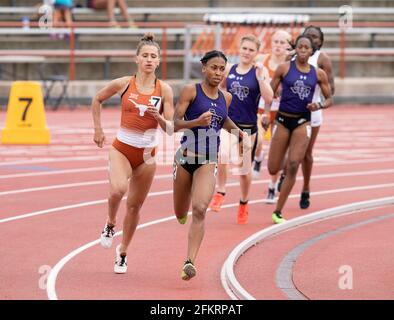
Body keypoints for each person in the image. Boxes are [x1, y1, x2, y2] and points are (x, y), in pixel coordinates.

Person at [92, 33, 174, 273]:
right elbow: (97, 99)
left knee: (135, 207)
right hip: (122, 149)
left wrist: (159, 117)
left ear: (159, 61)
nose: (149, 60)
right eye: (145, 55)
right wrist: (98, 129)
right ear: (137, 59)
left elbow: (170, 128)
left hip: (147, 155)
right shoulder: (124, 83)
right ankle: (109, 223)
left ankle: (123, 252)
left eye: (154, 56)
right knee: (118, 190)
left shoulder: (165, 90)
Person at [173, 50, 248, 280]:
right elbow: (174, 124)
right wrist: (196, 121)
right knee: (180, 211)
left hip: (208, 159)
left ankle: (189, 262)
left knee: (200, 208)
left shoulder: (226, 97)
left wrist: (238, 133)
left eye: (221, 69)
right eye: (213, 67)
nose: (217, 72)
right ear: (204, 68)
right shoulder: (190, 91)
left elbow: (222, 118)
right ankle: (180, 213)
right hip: (186, 158)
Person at [267, 34, 333, 224]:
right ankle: (286, 156)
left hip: (303, 121)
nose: (303, 51)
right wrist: (265, 112)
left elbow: (329, 99)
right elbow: (269, 94)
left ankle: (278, 211)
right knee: (273, 167)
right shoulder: (284, 68)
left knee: (295, 165)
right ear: (296, 48)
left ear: (312, 51)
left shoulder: (318, 73)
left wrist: (318, 105)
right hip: (282, 119)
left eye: (307, 48)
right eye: (300, 47)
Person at [209, 34, 273, 224]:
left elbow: (269, 98)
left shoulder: (259, 72)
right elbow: (219, 90)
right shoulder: (229, 69)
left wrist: (261, 77)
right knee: (222, 154)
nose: (247, 52)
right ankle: (220, 191)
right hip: (229, 123)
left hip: (248, 128)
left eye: (251, 50)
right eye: (244, 48)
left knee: (244, 171)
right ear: (240, 48)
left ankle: (244, 203)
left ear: (257, 53)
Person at [251, 30, 292, 204]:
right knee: (257, 140)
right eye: (276, 41)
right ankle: (258, 157)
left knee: (278, 152)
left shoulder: (293, 64)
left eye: (283, 42)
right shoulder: (261, 60)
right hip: (261, 110)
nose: (278, 45)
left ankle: (272, 187)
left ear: (289, 46)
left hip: (282, 112)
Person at [298, 25, 335, 209]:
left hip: (313, 112)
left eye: (316, 37)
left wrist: (317, 96)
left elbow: (332, 90)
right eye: (308, 35)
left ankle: (305, 188)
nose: (312, 39)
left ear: (320, 41)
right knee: (288, 150)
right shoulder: (294, 56)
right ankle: (283, 175)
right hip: (291, 110)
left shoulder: (322, 59)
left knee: (306, 153)